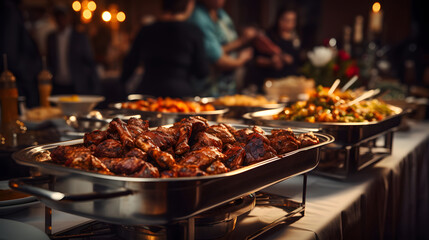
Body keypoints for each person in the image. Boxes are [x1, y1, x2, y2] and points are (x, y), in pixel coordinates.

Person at [120, 0, 208, 98]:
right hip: (180, 97)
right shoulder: (193, 32)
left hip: (148, 93)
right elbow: (202, 72)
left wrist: (121, 87)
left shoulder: (146, 30)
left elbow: (129, 65)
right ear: (189, 4)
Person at [188, 0, 256, 96]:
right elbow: (216, 58)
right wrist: (241, 59)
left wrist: (243, 39)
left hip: (227, 87)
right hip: (207, 91)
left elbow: (217, 49)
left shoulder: (221, 14)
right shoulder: (199, 18)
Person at [46, 6, 100, 95]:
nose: (60, 19)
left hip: (76, 85)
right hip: (57, 85)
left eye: (63, 16)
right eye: (58, 16)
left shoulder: (80, 37)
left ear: (68, 17)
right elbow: (49, 61)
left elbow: (89, 62)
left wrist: (94, 86)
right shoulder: (51, 38)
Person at [248, 6, 302, 93]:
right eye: (286, 20)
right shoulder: (268, 37)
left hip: (289, 87)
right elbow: (256, 59)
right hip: (268, 86)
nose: (289, 24)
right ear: (278, 19)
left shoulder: (296, 39)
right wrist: (270, 62)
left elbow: (297, 62)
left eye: (292, 21)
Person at [0, 0, 42, 108]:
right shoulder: (9, 9)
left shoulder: (12, 9)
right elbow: (10, 47)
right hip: (18, 74)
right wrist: (23, 72)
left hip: (19, 71)